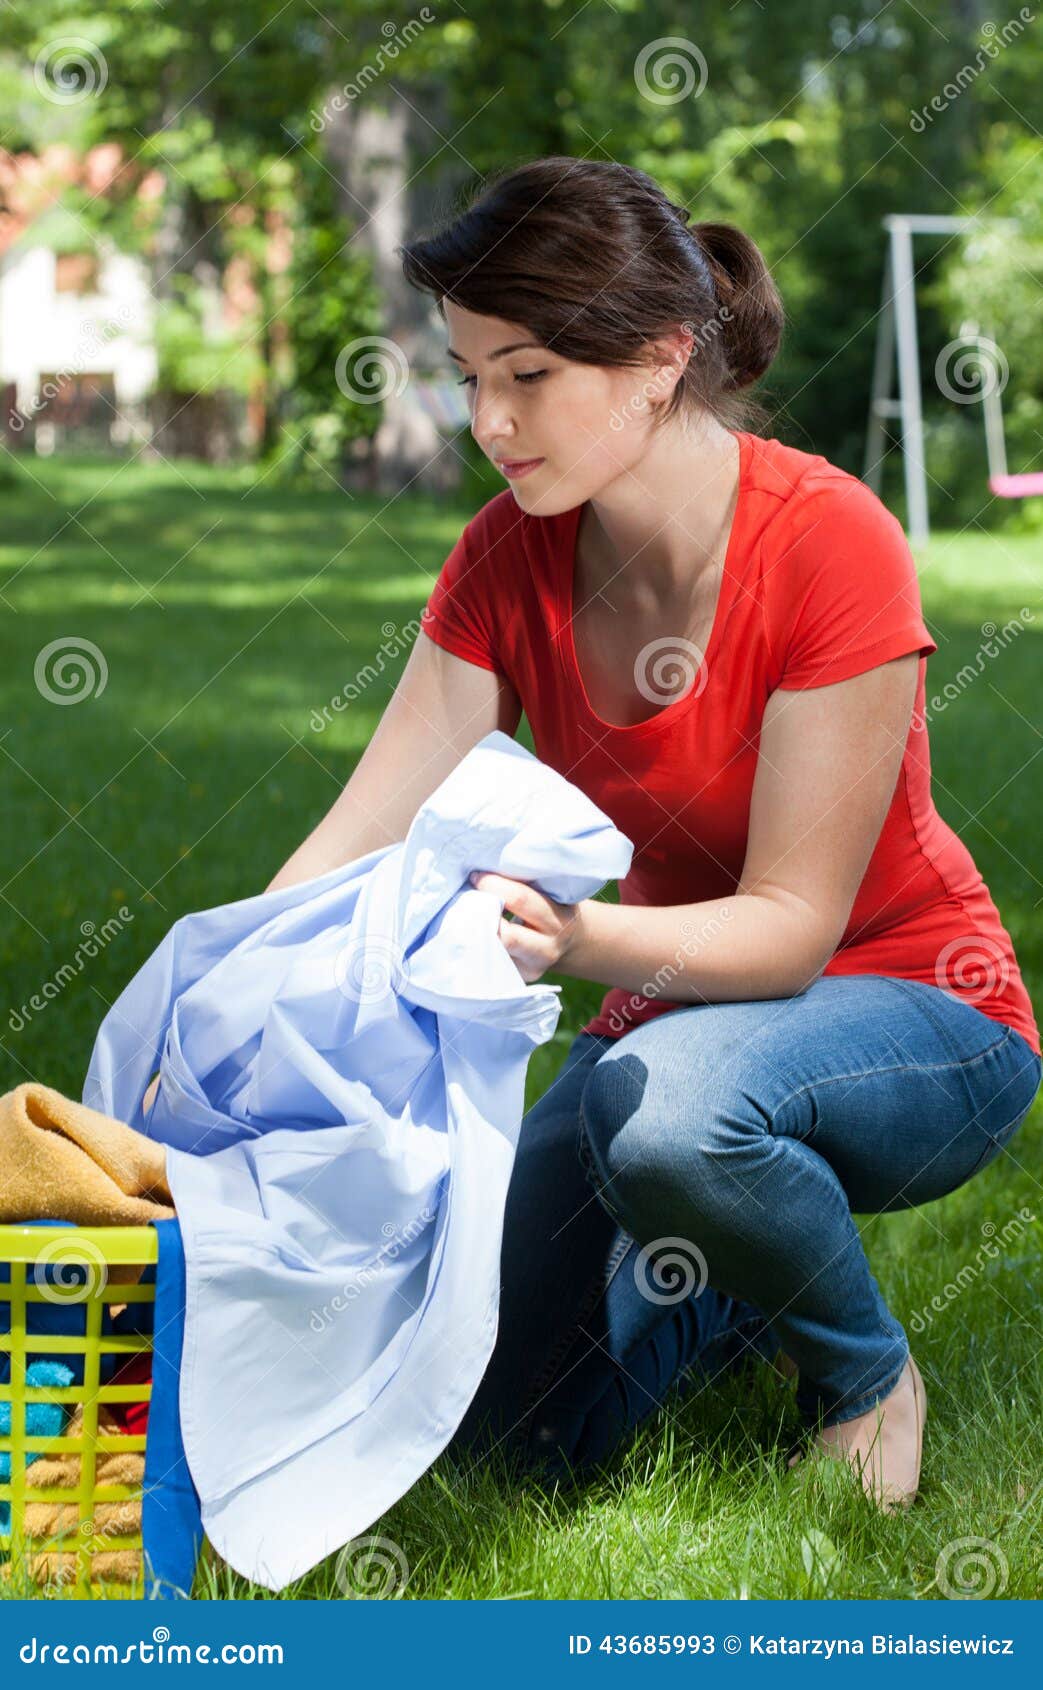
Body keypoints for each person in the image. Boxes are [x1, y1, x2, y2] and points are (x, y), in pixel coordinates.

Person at [263, 157, 1041, 1512]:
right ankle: (739, 1283)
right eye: (468, 377)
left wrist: (569, 939)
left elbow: (792, 932)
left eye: (529, 374)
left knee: (673, 1124)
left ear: (663, 357)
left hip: (919, 1010)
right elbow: (358, 831)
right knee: (497, 1425)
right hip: (671, 1021)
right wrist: (224, 996)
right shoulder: (505, 555)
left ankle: (862, 1374)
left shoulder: (830, 541)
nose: (489, 421)